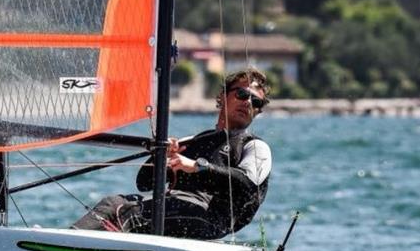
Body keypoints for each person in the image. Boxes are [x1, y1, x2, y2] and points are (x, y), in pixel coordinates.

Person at [72, 67, 272, 239]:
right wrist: (161, 157)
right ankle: (68, 242)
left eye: (256, 102)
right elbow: (144, 183)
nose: (248, 103)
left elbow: (247, 185)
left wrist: (196, 167)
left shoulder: (254, 147)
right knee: (112, 203)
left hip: (211, 218)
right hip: (175, 207)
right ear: (222, 96)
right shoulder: (194, 141)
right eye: (243, 95)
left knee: (127, 212)